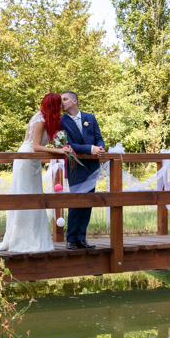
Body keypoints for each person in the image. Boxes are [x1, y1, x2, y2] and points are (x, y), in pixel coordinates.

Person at [0, 92, 70, 253]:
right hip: (26, 158)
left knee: (36, 196)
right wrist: (58, 151)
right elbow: (36, 146)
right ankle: (21, 240)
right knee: (25, 196)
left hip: (34, 161)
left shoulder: (48, 119)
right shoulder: (39, 120)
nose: (60, 107)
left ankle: (34, 238)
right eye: (58, 104)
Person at [60, 91, 105, 249]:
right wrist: (90, 148)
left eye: (64, 99)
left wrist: (100, 148)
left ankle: (82, 238)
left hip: (92, 167)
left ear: (74, 101)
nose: (62, 103)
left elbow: (98, 137)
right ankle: (71, 239)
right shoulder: (62, 121)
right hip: (75, 167)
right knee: (76, 202)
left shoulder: (90, 118)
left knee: (88, 203)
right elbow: (68, 144)